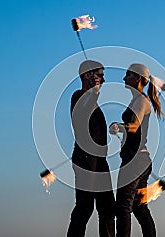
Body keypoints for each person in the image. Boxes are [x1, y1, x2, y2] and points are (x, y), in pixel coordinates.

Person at [109, 64, 163, 237]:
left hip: (135, 162)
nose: (124, 78)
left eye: (128, 75)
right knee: (139, 207)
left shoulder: (141, 100)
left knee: (123, 207)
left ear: (138, 78)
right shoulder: (138, 100)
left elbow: (133, 126)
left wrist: (120, 126)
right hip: (140, 160)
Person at [67, 60, 115, 237]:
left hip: (99, 161)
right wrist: (94, 94)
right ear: (88, 75)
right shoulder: (78, 96)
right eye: (100, 75)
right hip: (86, 159)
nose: (103, 80)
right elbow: (81, 117)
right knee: (85, 207)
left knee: (108, 208)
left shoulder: (91, 100)